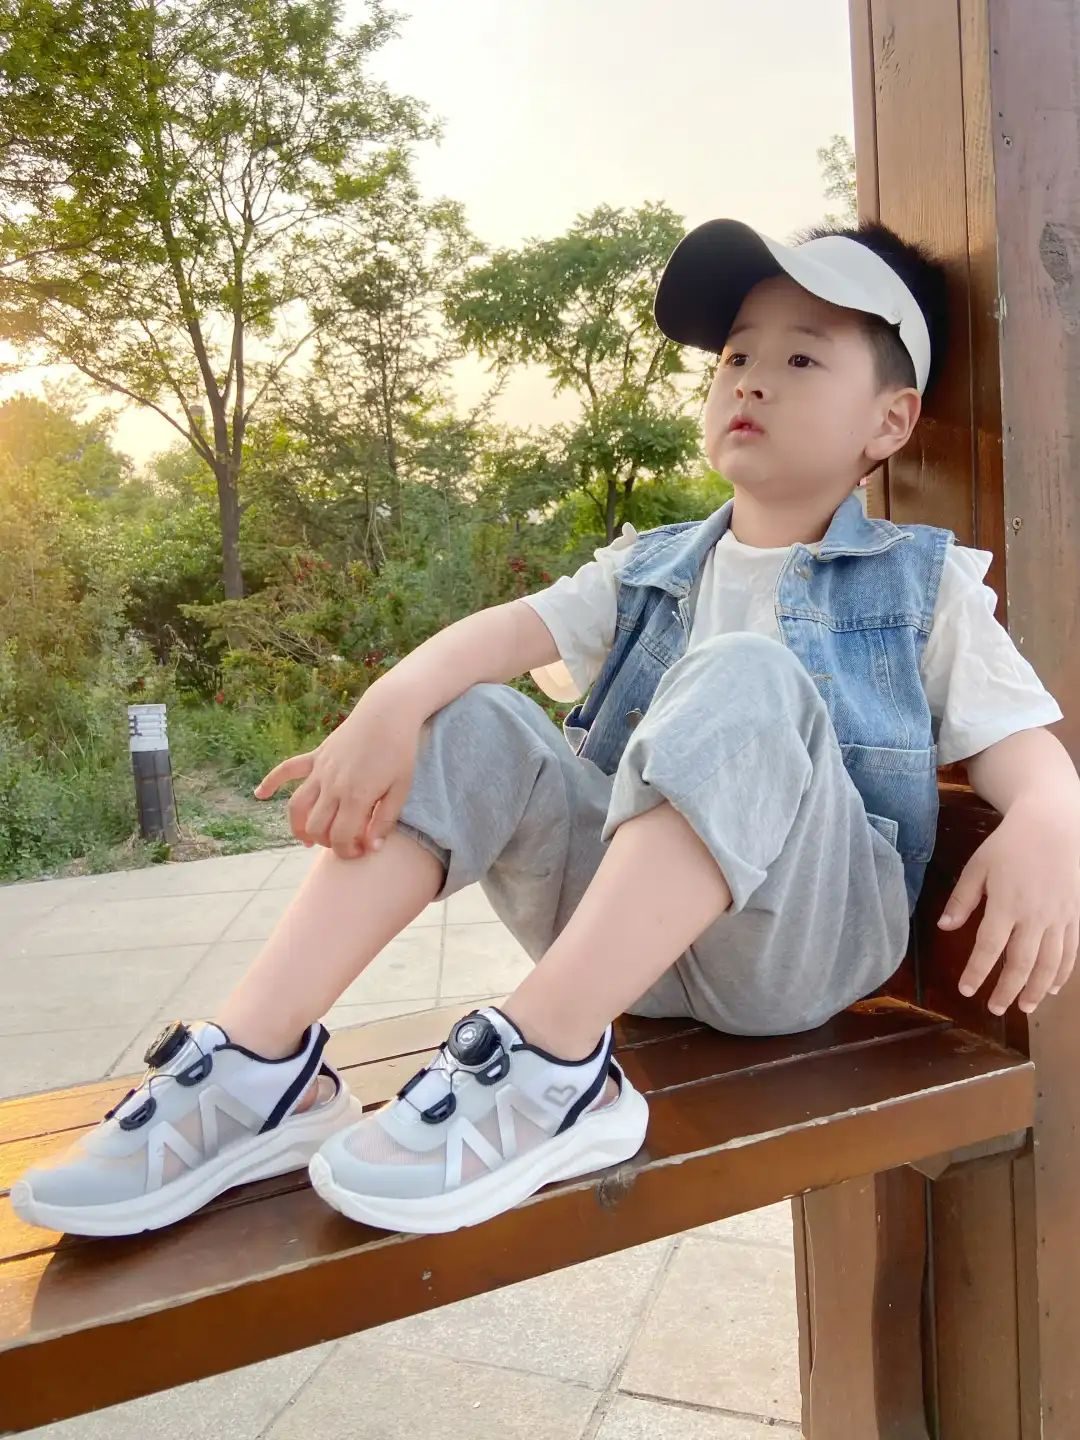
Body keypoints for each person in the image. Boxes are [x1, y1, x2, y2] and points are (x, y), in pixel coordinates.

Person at [13, 218, 1079, 1242]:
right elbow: (499, 636)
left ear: (889, 424)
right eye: (736, 356)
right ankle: (255, 1069)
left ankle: (551, 1070)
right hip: (628, 954)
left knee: (746, 674)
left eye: (801, 359)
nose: (751, 379)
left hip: (796, 951)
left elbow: (1023, 744)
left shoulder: (917, 584)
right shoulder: (649, 567)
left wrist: (1049, 819)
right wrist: (388, 709)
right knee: (466, 707)